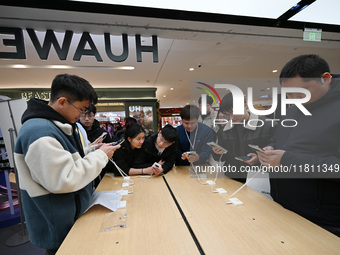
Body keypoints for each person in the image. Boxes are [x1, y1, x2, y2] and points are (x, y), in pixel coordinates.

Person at [14, 74, 120, 254]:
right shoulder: (40, 132)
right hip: (58, 225)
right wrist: (100, 156)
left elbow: (65, 160)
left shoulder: (53, 126)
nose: (82, 115)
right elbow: (64, 179)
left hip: (69, 218)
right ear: (62, 102)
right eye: (81, 109)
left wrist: (93, 151)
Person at [257, 54, 340, 237]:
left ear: (325, 79)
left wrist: (287, 159)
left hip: (322, 219)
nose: (295, 99)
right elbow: (281, 138)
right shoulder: (295, 107)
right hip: (285, 206)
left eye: (302, 92)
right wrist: (270, 149)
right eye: (290, 94)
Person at [212, 92, 276, 183]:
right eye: (227, 114)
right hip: (231, 178)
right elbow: (222, 158)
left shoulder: (268, 126)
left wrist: (259, 159)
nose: (231, 117)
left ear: (245, 105)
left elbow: (278, 153)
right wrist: (217, 153)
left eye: (233, 112)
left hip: (258, 180)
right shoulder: (224, 131)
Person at [79, 103, 116, 187]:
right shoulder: (76, 132)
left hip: (101, 170)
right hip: (82, 170)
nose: (87, 119)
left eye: (90, 116)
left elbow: (110, 152)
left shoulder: (102, 133)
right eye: (83, 116)